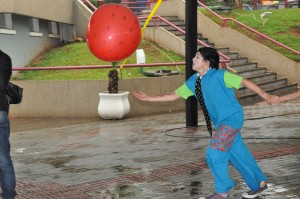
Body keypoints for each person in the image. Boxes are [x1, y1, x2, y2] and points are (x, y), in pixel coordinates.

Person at [133, 47, 281, 199]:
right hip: (221, 123)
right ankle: (259, 183)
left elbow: (244, 82)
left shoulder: (220, 75)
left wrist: (266, 95)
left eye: (197, 57)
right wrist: (149, 98)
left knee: (215, 153)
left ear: (206, 62)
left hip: (232, 119)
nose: (193, 59)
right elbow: (172, 96)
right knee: (237, 154)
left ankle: (222, 191)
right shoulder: (194, 81)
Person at [0, 50, 17, 199]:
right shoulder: (5, 58)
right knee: (3, 155)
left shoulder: (3, 59)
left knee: (3, 157)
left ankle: (8, 194)